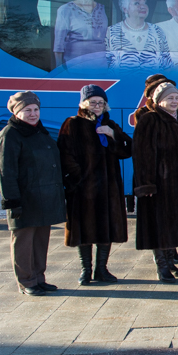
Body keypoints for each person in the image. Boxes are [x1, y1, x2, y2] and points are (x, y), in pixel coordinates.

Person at [57, 84, 132, 285]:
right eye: (93, 102)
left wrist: (112, 134)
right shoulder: (72, 124)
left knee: (106, 228)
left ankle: (101, 269)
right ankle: (86, 270)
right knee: (85, 229)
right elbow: (65, 154)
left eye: (101, 102)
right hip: (84, 189)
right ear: (84, 103)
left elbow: (127, 151)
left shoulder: (111, 124)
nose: (97, 106)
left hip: (109, 188)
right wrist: (78, 178)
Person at [0, 91, 66, 295]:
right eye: (27, 110)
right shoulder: (9, 135)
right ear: (17, 113)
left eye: (36, 110)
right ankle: (26, 282)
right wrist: (12, 201)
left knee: (40, 242)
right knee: (24, 243)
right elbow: (4, 172)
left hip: (44, 199)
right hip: (24, 200)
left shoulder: (39, 132)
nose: (33, 114)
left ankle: (38, 278)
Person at [132, 81, 178, 281]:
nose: (174, 101)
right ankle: (161, 266)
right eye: (169, 98)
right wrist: (146, 183)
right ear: (158, 101)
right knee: (159, 226)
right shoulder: (150, 120)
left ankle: (171, 262)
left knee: (173, 223)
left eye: (176, 98)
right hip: (160, 184)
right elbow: (142, 154)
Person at [107, 0, 171, 70]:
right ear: (125, 9)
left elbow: (167, 66)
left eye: (145, 2)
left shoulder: (157, 31)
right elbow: (103, 65)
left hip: (152, 82)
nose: (143, 6)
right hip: (122, 82)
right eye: (137, 3)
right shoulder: (111, 32)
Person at [54, 0, 107, 68]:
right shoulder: (66, 9)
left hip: (101, 67)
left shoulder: (102, 8)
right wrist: (59, 70)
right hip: (75, 68)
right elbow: (59, 43)